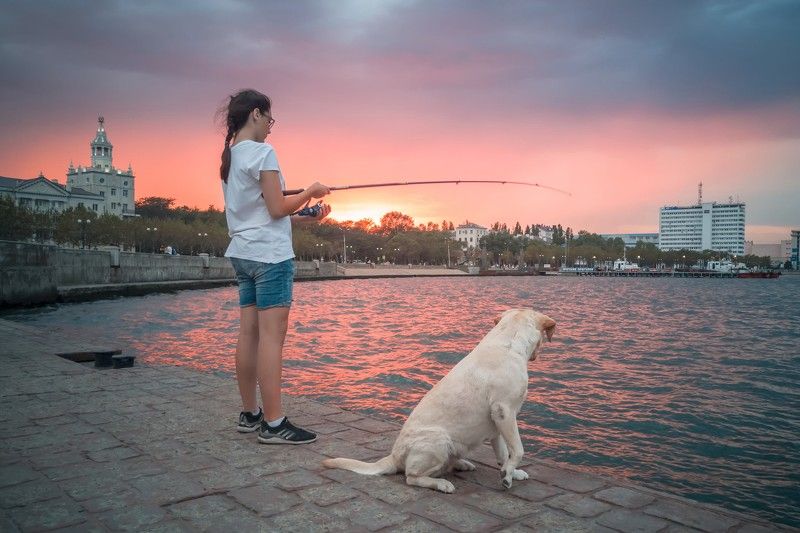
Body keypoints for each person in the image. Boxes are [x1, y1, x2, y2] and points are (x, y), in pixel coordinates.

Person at [218, 89, 331, 444]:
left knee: (248, 335)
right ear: (256, 114)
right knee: (271, 339)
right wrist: (311, 191)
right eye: (270, 119)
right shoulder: (263, 152)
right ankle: (273, 423)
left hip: (243, 253)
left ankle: (250, 414)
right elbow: (276, 209)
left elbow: (262, 210)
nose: (270, 127)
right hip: (270, 257)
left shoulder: (231, 157)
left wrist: (303, 215)